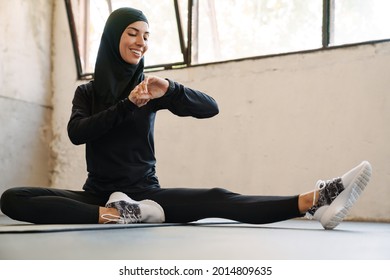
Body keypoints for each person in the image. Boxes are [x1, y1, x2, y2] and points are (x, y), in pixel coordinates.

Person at [0, 7, 372, 230]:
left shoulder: (151, 90)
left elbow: (211, 107)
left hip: (147, 194)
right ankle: (114, 215)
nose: (141, 43)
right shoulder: (88, 92)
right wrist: (127, 105)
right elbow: (77, 133)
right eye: (132, 33)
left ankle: (319, 199)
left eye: (146, 36)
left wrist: (173, 90)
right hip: (98, 194)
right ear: (114, 36)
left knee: (218, 198)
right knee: (14, 198)